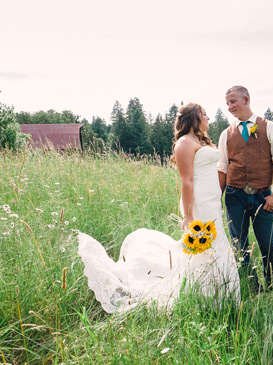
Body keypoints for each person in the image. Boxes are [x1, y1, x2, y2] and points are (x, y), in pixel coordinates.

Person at [78, 103, 241, 313]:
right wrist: (189, 216)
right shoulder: (183, 143)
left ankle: (221, 295)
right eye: (204, 114)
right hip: (199, 203)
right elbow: (187, 181)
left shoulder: (199, 140)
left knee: (216, 245)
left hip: (212, 201)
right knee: (207, 247)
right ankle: (207, 298)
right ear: (193, 118)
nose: (208, 117)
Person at [217, 85, 273, 291]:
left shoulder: (269, 127)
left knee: (270, 246)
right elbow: (222, 169)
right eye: (227, 103)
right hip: (234, 196)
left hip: (262, 196)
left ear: (246, 100)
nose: (230, 107)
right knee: (240, 246)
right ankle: (252, 288)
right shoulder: (226, 134)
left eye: (233, 101)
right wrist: (218, 200)